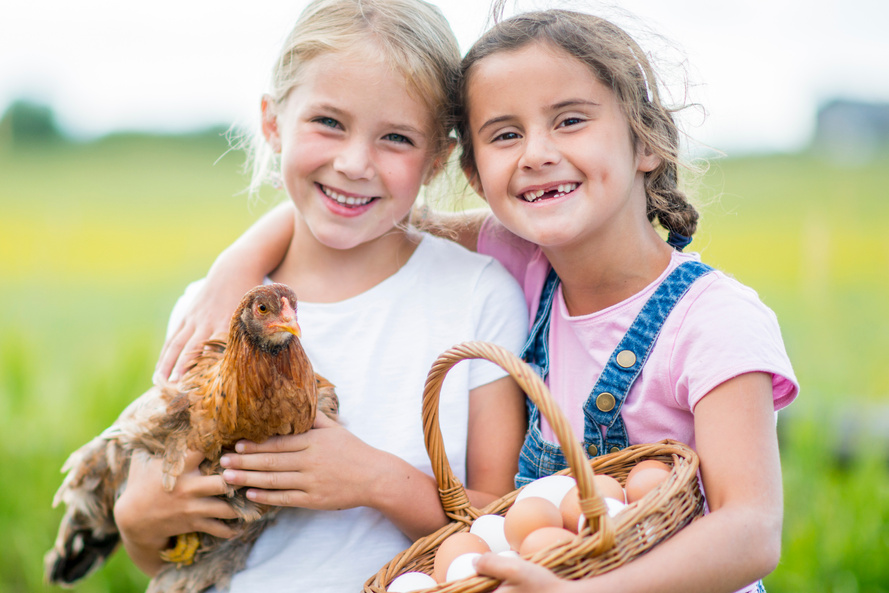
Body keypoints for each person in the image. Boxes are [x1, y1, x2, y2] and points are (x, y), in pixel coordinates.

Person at [155, 6, 799, 593]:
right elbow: (370, 215)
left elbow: (751, 532)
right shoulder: (523, 259)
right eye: (504, 134)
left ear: (647, 140)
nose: (539, 154)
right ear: (474, 175)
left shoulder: (713, 319)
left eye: (570, 120)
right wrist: (233, 268)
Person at [112, 1, 530, 591]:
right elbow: (178, 561)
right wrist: (137, 524)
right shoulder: (212, 308)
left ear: (436, 158)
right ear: (272, 121)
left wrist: (379, 482)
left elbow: (506, 529)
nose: (354, 163)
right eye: (328, 122)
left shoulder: (477, 298)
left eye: (396, 137)